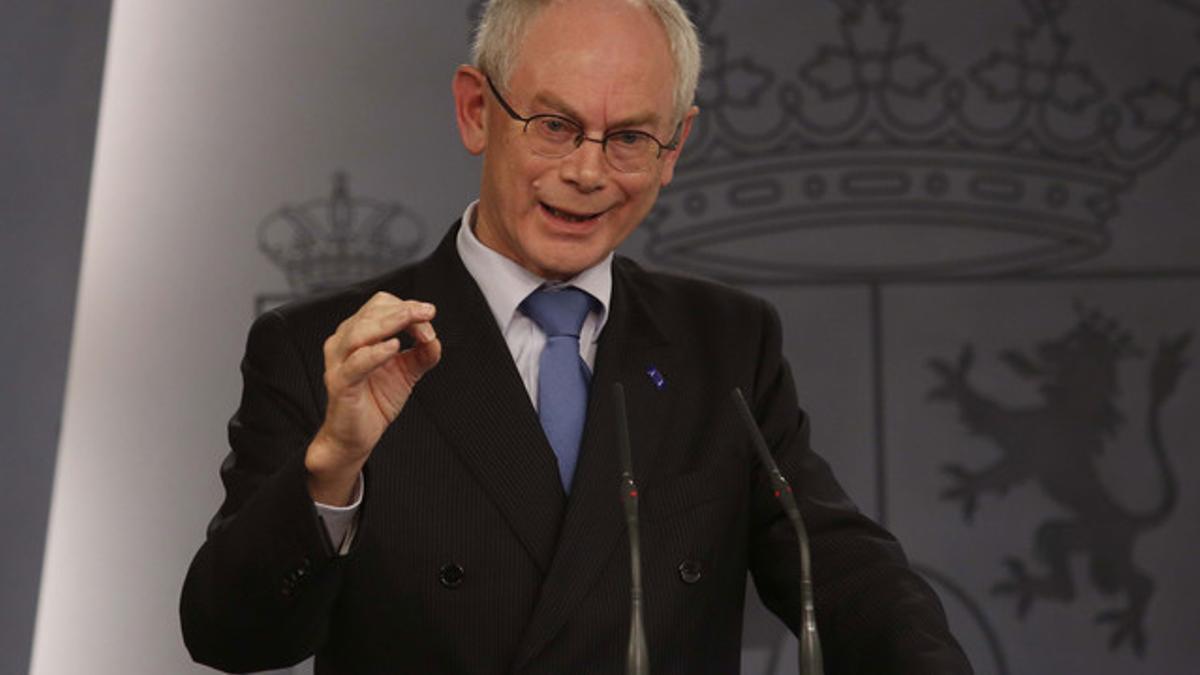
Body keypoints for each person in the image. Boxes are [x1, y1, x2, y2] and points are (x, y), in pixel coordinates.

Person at [180, 1, 973, 673]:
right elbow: (232, 635)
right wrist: (332, 467)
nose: (590, 172)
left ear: (675, 149)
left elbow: (835, 566)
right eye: (555, 125)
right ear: (477, 112)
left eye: (629, 137)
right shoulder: (327, 345)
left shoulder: (724, 343)